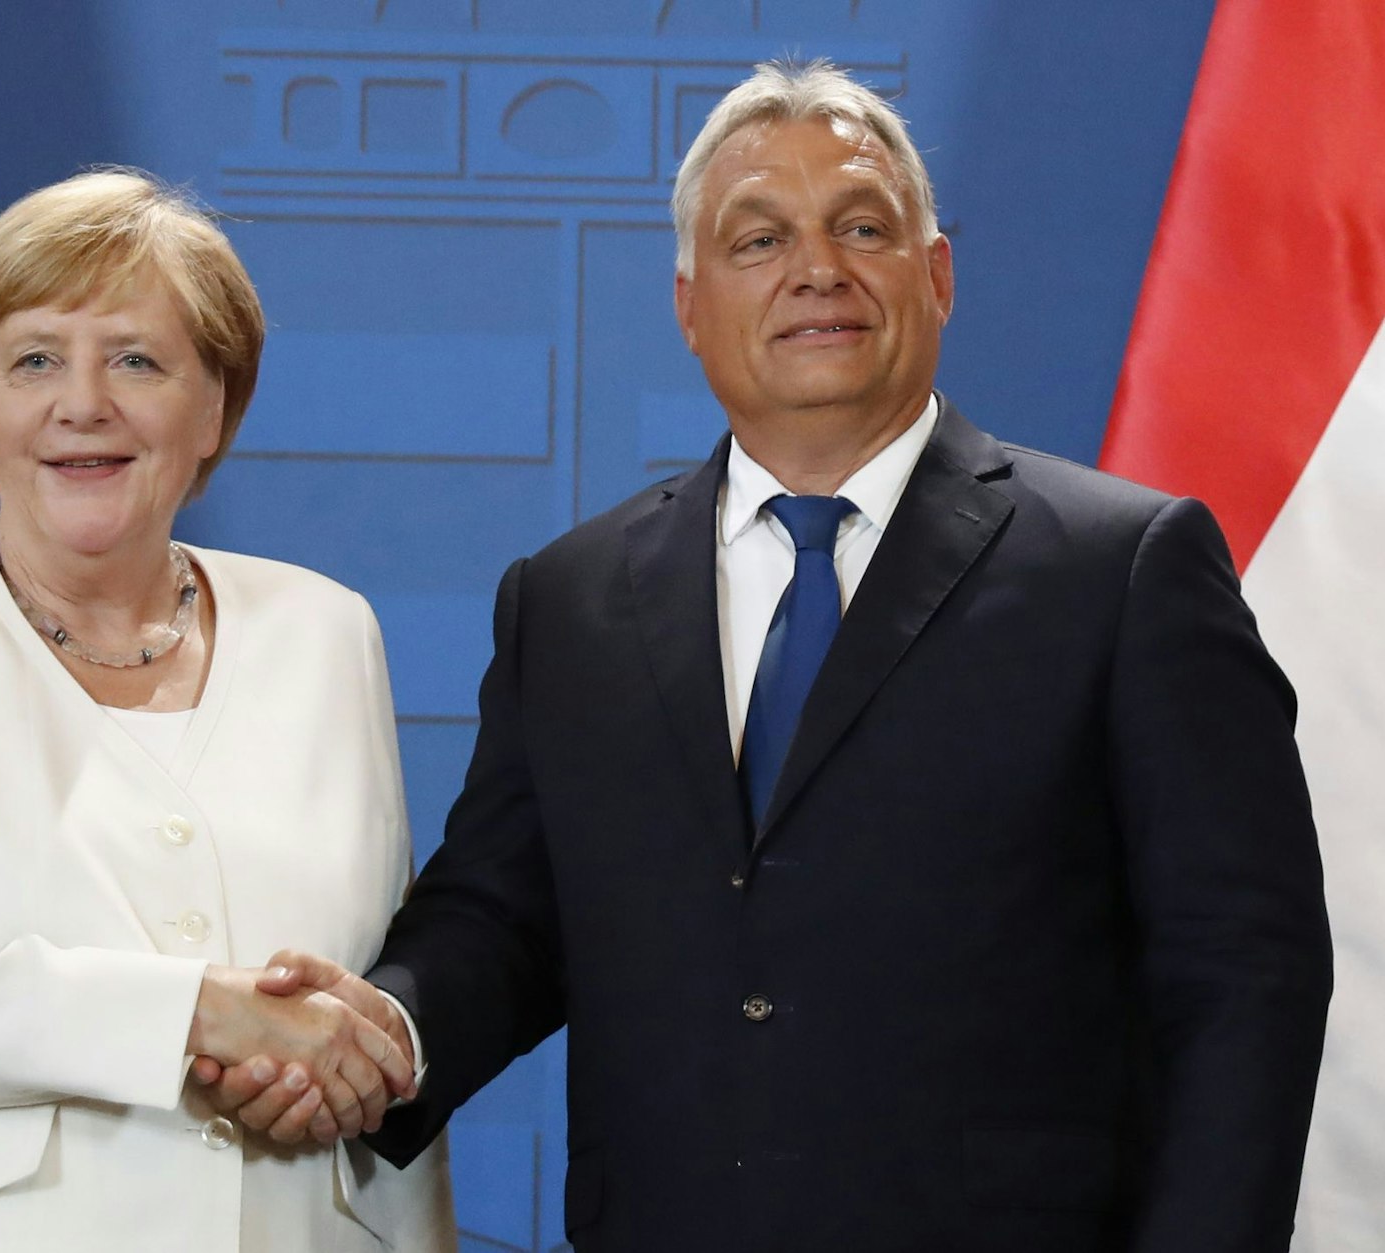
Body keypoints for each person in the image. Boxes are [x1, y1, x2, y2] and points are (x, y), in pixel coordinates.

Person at [195, 61, 1334, 1251]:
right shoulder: (571, 599)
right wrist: (382, 1034)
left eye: (860, 226)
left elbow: (1243, 974)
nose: (815, 270)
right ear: (688, 303)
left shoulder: (1125, 568)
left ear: (936, 276)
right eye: (757, 239)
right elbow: (505, 913)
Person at [0, 169, 452, 1252]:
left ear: (214, 406)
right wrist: (202, 1011)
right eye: (31, 360)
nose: (82, 403)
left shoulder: (323, 627)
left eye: (135, 359)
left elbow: (344, 1005)